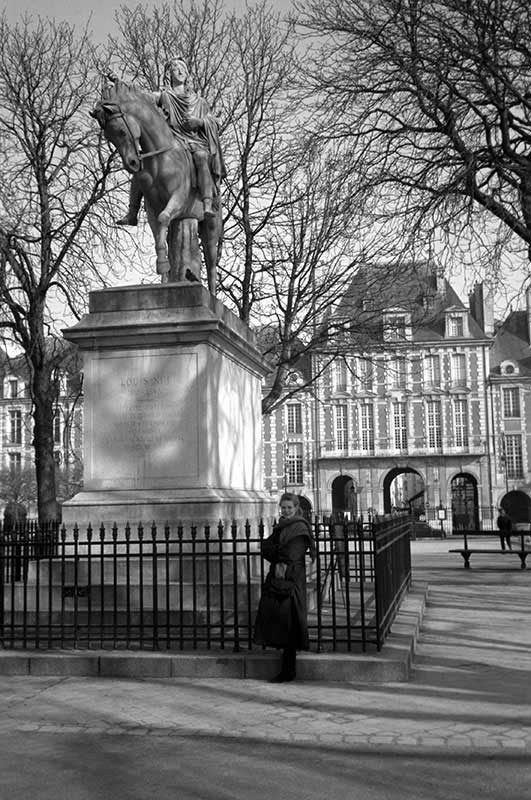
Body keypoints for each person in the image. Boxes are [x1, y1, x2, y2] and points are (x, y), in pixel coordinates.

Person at [112, 58, 226, 225]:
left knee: (201, 157)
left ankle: (207, 202)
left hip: (194, 142)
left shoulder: (199, 102)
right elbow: (142, 96)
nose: (180, 71)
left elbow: (215, 122)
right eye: (175, 69)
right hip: (173, 141)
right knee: (141, 166)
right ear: (169, 75)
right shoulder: (164, 96)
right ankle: (132, 212)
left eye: (183, 69)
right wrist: (120, 83)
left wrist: (200, 122)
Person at [254, 493, 316, 683]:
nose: (286, 511)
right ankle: (286, 667)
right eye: (283, 507)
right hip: (279, 579)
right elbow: (265, 547)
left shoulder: (300, 528)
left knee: (290, 624)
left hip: (292, 581)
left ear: (296, 508)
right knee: (279, 622)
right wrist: (275, 551)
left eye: (289, 507)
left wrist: (275, 551)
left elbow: (291, 554)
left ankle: (288, 670)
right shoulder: (281, 526)